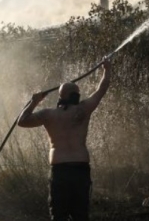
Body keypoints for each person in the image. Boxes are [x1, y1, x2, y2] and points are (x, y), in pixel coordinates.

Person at [17, 57, 111, 221]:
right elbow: (102, 89)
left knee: (58, 215)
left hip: (60, 171)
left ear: (61, 96)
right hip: (80, 170)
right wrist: (107, 69)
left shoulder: (48, 115)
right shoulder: (83, 110)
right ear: (76, 95)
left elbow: (22, 121)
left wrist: (34, 101)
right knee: (80, 215)